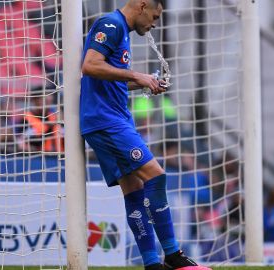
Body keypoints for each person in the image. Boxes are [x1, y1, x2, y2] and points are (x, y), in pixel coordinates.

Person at [80, 1, 209, 269]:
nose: (156, 22)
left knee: (134, 190)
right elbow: (90, 66)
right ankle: (173, 254)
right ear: (142, 5)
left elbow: (108, 79)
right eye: (155, 15)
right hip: (107, 121)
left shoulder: (121, 31)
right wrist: (136, 74)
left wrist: (141, 83)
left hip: (111, 118)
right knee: (156, 175)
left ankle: (152, 263)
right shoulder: (110, 24)